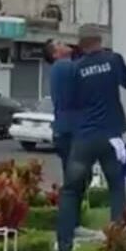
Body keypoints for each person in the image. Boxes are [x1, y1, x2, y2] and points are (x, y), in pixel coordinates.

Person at [56, 24, 126, 251]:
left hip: (85, 137)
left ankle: (64, 247)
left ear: (80, 44)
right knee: (117, 188)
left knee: (70, 191)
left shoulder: (75, 69)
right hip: (112, 136)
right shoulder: (114, 59)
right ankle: (118, 244)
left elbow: (70, 102)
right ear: (100, 40)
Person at [43, 39, 75, 178]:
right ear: (55, 55)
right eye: (59, 44)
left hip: (64, 131)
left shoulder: (61, 68)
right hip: (70, 132)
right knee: (76, 179)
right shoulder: (64, 66)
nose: (64, 43)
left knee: (72, 177)